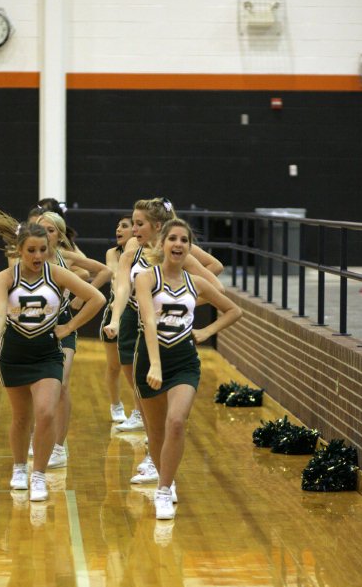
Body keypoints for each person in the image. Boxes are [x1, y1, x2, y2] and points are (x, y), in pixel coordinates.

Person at [0, 221, 104, 502]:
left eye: (42, 250)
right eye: (31, 250)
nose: (37, 256)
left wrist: (69, 328)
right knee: (22, 417)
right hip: (13, 355)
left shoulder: (57, 274)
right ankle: (19, 467)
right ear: (19, 250)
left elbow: (96, 298)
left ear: (49, 249)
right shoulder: (5, 279)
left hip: (47, 354)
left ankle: (38, 474)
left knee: (46, 412)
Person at [104, 197, 225, 483]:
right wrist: (114, 318)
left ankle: (153, 459)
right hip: (134, 324)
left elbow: (217, 285)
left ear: (156, 226)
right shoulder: (130, 253)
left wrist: (185, 303)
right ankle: (152, 452)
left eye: (139, 223)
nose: (133, 229)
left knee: (167, 406)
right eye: (132, 223)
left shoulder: (177, 252)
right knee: (141, 393)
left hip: (165, 329)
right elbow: (122, 289)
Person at [133, 218, 242, 519]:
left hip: (184, 362)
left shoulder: (197, 283)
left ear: (189, 247)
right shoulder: (146, 278)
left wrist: (207, 332)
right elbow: (149, 322)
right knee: (155, 433)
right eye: (173, 239)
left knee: (176, 422)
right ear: (162, 244)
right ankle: (167, 478)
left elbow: (234, 310)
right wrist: (154, 363)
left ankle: (164, 489)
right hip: (150, 360)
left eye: (184, 240)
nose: (178, 244)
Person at [32, 211, 112, 466]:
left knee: (62, 384)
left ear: (59, 234)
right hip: (34, 329)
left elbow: (104, 271)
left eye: (51, 230)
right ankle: (40, 431)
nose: (46, 234)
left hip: (63, 325)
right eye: (41, 229)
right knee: (37, 386)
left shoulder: (66, 256)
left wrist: (80, 297)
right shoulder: (28, 258)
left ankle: (58, 446)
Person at [99, 216, 134, 422]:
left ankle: (140, 411)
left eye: (124, 226)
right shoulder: (113, 253)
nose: (118, 229)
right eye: (117, 225)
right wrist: (120, 301)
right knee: (114, 366)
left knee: (137, 366)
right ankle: (116, 405)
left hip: (137, 312)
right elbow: (115, 277)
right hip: (115, 310)